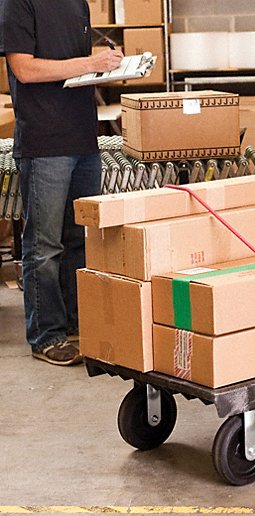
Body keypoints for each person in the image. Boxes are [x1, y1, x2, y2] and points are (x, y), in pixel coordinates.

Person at [1, 0, 123, 365]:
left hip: (84, 138)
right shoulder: (18, 3)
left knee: (81, 242)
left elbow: (73, 68)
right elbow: (24, 69)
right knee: (44, 246)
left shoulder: (77, 2)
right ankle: (47, 336)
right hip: (45, 142)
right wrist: (91, 63)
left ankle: (75, 325)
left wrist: (111, 64)